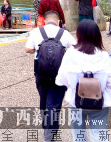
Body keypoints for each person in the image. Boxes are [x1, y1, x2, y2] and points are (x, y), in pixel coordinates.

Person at [54, 20, 111, 142]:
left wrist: (74, 84)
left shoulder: (71, 53)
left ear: (79, 34)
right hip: (99, 101)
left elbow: (61, 78)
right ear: (97, 35)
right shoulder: (103, 55)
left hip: (76, 100)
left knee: (79, 135)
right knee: (99, 134)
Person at [25, 10, 75, 141]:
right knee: (55, 104)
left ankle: (47, 127)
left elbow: (27, 49)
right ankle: (50, 132)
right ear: (58, 21)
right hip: (60, 74)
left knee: (44, 100)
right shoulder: (64, 33)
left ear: (45, 20)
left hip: (41, 73)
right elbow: (76, 48)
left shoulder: (36, 32)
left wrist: (39, 49)